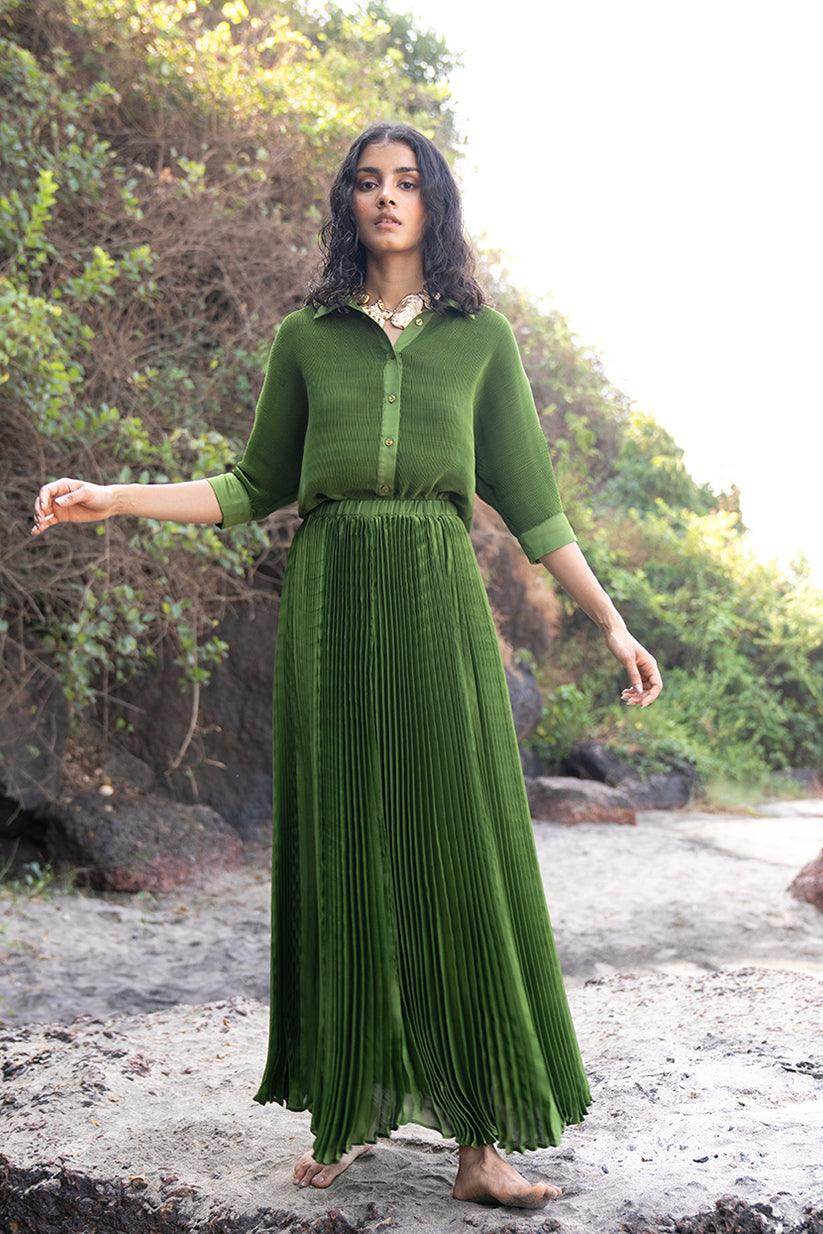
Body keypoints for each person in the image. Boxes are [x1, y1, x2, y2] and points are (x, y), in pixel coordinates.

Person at [32, 121, 662, 1211]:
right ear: (347, 203)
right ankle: (348, 1104)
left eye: (406, 182)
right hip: (331, 605)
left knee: (453, 842)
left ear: (434, 203)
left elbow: (532, 504)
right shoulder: (307, 338)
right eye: (368, 182)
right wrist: (115, 497)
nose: (386, 197)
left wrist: (610, 622)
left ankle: (479, 1147)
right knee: (344, 841)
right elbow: (249, 486)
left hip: (435, 603)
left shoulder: (481, 340)